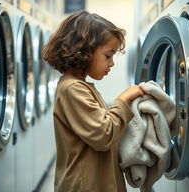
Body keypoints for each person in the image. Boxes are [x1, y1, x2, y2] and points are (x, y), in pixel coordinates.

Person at [42, 10, 144, 192]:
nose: (111, 63)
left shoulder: (80, 86)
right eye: (108, 55)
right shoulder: (73, 89)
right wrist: (124, 98)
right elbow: (103, 135)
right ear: (84, 52)